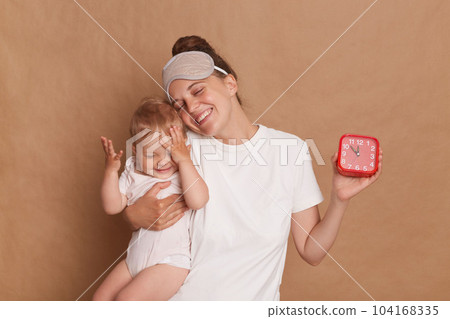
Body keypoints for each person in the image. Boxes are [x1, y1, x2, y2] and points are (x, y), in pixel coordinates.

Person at [123, 36, 383, 300]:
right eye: (180, 106)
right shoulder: (181, 149)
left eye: (198, 91)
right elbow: (136, 192)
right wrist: (132, 215)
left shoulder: (290, 150)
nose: (192, 108)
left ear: (230, 83)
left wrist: (339, 200)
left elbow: (311, 251)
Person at [93, 98, 209, 301]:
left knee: (127, 300)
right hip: (134, 261)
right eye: (151, 155)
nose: (163, 161)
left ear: (183, 148)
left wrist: (183, 160)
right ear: (136, 152)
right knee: (99, 299)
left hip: (170, 263)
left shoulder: (182, 171)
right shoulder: (133, 171)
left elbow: (199, 201)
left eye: (170, 152)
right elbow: (112, 206)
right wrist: (111, 171)